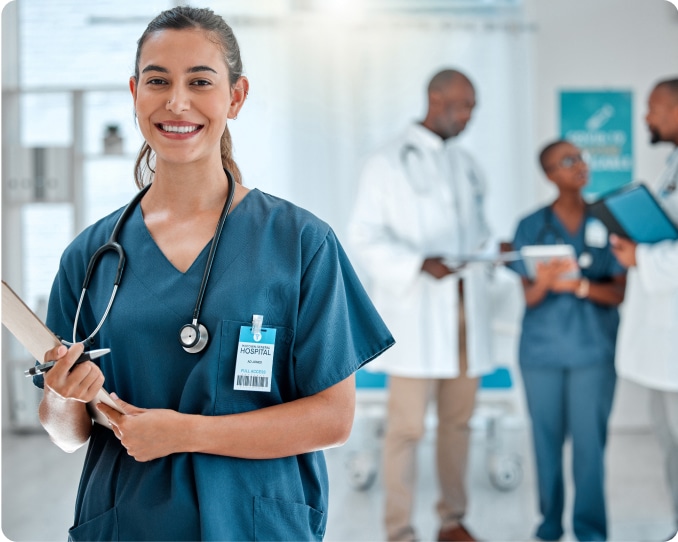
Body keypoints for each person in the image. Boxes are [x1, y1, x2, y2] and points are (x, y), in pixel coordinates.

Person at [33, 6, 394, 541]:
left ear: (236, 96)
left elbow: (333, 420)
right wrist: (63, 396)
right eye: (158, 81)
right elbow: (69, 435)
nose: (177, 101)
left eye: (200, 81)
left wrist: (184, 433)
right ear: (135, 93)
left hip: (257, 525)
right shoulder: (89, 256)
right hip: (130, 524)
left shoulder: (300, 243)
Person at [348, 68, 496, 542]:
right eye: (463, 104)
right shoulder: (386, 162)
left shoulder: (466, 163)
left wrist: (493, 249)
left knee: (458, 424)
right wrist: (417, 263)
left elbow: (479, 231)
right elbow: (363, 237)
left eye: (473, 106)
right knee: (406, 429)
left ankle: (452, 519)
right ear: (435, 97)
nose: (469, 115)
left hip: (464, 314)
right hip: (415, 315)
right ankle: (400, 529)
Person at [508, 140, 626, 541]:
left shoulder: (610, 222)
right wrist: (543, 282)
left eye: (581, 158)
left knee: (590, 449)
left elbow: (618, 293)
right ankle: (549, 526)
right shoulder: (530, 225)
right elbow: (529, 296)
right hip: (541, 353)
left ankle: (591, 532)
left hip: (592, 352)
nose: (579, 166)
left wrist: (578, 286)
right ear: (550, 175)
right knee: (546, 445)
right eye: (567, 161)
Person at [610, 77, 678, 538]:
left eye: (654, 107)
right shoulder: (671, 163)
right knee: (670, 442)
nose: (646, 117)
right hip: (663, 341)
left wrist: (643, 258)